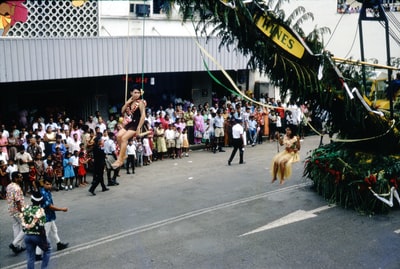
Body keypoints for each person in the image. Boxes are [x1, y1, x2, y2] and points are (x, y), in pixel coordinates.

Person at [35, 178, 69, 261]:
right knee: (44, 236)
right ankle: (37, 254)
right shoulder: (44, 193)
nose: (49, 186)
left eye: (50, 184)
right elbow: (50, 207)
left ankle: (59, 243)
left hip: (49, 216)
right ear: (43, 184)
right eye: (47, 184)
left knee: (54, 230)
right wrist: (61, 209)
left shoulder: (46, 191)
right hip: (46, 217)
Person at [113, 86, 146, 168]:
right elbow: (122, 111)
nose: (137, 94)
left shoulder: (140, 102)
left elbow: (143, 116)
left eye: (138, 93)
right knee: (118, 136)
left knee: (124, 138)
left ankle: (120, 160)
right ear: (131, 93)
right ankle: (123, 154)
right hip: (131, 123)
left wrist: (139, 127)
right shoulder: (130, 102)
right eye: (135, 92)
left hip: (137, 124)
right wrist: (127, 102)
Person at [20, 191, 51, 269]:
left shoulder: (26, 209)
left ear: (32, 200)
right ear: (40, 201)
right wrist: (44, 241)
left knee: (30, 257)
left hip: (27, 236)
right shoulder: (40, 211)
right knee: (47, 250)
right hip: (37, 236)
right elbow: (41, 228)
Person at [6, 171, 26, 255]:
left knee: (16, 227)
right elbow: (18, 201)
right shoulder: (17, 188)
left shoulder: (9, 186)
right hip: (18, 210)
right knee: (26, 227)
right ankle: (14, 244)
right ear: (15, 178)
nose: (21, 178)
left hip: (11, 209)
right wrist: (22, 212)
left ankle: (18, 246)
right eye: (20, 177)